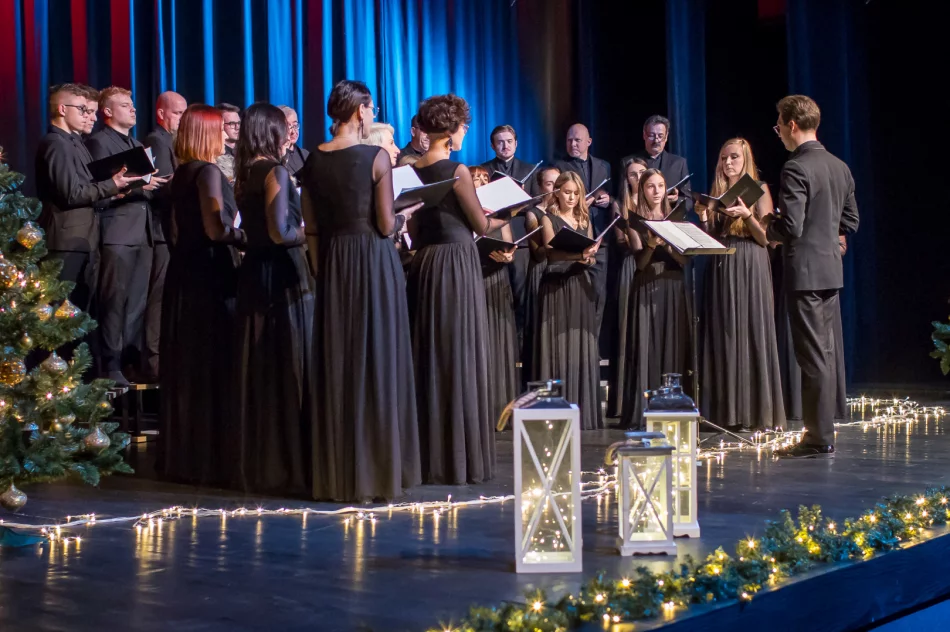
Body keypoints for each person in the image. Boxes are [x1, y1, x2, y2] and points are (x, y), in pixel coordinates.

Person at [299, 80, 422, 502]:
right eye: (371, 109)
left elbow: (311, 227)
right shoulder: (375, 157)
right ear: (361, 111)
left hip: (333, 264)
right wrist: (406, 218)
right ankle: (378, 472)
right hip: (372, 261)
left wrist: (321, 270)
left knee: (341, 360)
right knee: (377, 357)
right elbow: (386, 225)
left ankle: (337, 473)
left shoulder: (314, 158)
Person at [407, 94, 509, 484]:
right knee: (460, 352)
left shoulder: (410, 168)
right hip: (456, 262)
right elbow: (480, 225)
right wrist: (509, 213)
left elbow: (413, 226)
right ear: (450, 132)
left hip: (427, 263)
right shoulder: (458, 169)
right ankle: (460, 458)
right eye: (464, 127)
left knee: (431, 350)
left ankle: (430, 455)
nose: (466, 133)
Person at [767, 95, 859, 459]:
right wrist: (831, 242)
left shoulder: (795, 168)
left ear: (792, 125)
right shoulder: (840, 166)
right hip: (829, 272)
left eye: (778, 126)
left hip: (805, 273)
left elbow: (791, 225)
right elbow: (850, 221)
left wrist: (765, 223)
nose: (779, 135)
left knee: (812, 357)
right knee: (825, 352)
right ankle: (822, 431)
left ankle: (818, 437)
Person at [161, 104, 244, 487]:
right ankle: (212, 456)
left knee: (189, 363)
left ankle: (187, 455)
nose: (228, 136)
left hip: (184, 273)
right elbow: (216, 228)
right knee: (211, 361)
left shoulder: (181, 173)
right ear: (208, 134)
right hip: (210, 274)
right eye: (221, 130)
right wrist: (249, 235)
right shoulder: (209, 172)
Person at [233, 103, 314, 495]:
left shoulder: (244, 173)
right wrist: (313, 230)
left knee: (262, 365)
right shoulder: (275, 171)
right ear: (271, 132)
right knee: (289, 362)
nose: (290, 135)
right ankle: (288, 463)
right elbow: (281, 231)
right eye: (284, 128)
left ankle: (261, 461)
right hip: (282, 275)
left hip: (255, 273)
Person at [698, 138, 784, 432]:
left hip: (750, 262)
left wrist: (747, 215)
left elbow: (767, 239)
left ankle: (754, 412)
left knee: (751, 330)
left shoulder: (758, 190)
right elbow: (711, 236)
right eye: (723, 158)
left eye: (734, 157)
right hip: (723, 264)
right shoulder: (718, 192)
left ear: (745, 158)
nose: (728, 163)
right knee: (725, 333)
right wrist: (704, 217)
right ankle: (727, 412)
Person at [85, 87, 168, 387]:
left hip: (142, 231)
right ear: (107, 111)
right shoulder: (98, 142)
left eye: (133, 105)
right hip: (117, 232)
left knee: (136, 303)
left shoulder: (134, 143)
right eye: (125, 105)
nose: (133, 110)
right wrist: (136, 187)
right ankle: (110, 363)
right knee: (114, 300)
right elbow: (98, 191)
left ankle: (129, 361)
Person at [35, 84, 135, 326]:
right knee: (59, 316)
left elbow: (86, 189)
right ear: (61, 109)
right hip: (65, 242)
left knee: (78, 314)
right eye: (83, 110)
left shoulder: (76, 144)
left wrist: (112, 193)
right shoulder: (56, 143)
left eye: (91, 112)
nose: (91, 117)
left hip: (84, 240)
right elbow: (71, 194)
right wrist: (111, 185)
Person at [620, 169, 690, 429]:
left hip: (672, 284)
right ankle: (645, 409)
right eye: (650, 186)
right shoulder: (635, 221)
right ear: (642, 190)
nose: (657, 191)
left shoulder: (676, 219)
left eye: (661, 185)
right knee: (647, 344)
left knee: (672, 343)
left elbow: (685, 260)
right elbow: (639, 263)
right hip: (647, 282)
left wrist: (670, 243)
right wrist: (651, 244)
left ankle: (672, 405)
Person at [537, 171, 603, 430]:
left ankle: (582, 409)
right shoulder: (547, 219)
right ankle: (555, 411)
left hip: (579, 285)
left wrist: (588, 257)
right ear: (556, 193)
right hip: (556, 285)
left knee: (580, 345)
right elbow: (551, 255)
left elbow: (592, 258)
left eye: (577, 193)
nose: (572, 197)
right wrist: (579, 256)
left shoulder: (584, 219)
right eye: (567, 192)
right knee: (557, 344)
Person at [143, 90, 186, 381]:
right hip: (160, 231)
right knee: (158, 297)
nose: (182, 120)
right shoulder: (157, 139)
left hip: (171, 231)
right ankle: (153, 361)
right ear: (162, 114)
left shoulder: (173, 141)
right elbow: (163, 184)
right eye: (177, 113)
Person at [481, 125, 537, 348]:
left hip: (521, 241)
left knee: (522, 296)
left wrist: (521, 198)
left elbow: (538, 204)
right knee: (497, 297)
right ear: (492, 145)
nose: (505, 146)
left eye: (509, 141)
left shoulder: (529, 169)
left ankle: (521, 348)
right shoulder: (483, 170)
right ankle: (499, 345)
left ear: (516, 143)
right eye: (500, 142)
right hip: (493, 239)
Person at [471, 165, 518, 425]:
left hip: (497, 279)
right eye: (475, 179)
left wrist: (509, 256)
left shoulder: (500, 214)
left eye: (484, 178)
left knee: (499, 341)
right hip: (474, 277)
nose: (480, 182)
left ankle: (501, 407)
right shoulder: (464, 210)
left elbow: (509, 245)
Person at [555, 124, 612, 336]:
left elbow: (614, 196)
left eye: (577, 140)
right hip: (573, 237)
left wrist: (609, 199)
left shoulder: (603, 166)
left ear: (589, 141)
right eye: (569, 140)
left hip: (599, 238)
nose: (573, 144)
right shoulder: (559, 165)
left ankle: (593, 342)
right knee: (572, 292)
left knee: (598, 293)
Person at [607, 156, 647, 418]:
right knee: (626, 329)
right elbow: (621, 240)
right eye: (633, 174)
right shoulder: (620, 204)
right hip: (630, 266)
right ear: (627, 179)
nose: (639, 178)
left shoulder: (657, 202)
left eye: (643, 172)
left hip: (650, 264)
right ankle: (623, 402)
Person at [521, 165, 559, 384]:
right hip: (541, 271)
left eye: (558, 183)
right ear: (541, 187)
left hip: (560, 271)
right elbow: (537, 253)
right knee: (540, 330)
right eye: (549, 183)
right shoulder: (533, 214)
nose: (555, 189)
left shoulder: (565, 212)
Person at [625, 115, 692, 211]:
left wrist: (675, 201)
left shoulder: (679, 163)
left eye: (660, 136)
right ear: (644, 135)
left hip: (669, 221)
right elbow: (622, 196)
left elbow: (688, 201)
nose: (656, 140)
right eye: (652, 135)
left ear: (666, 137)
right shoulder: (629, 163)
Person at [279, 105, 309, 180]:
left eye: (295, 125)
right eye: (288, 127)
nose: (293, 132)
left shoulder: (305, 155)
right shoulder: (274, 157)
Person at [216, 103, 241, 183]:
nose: (237, 127)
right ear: (219, 125)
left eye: (239, 123)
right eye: (232, 124)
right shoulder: (215, 154)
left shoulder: (247, 149)